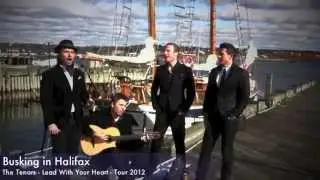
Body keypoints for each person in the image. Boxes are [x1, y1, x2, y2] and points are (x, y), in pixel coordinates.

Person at [195, 42, 250, 180]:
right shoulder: (214, 72)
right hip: (213, 118)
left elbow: (244, 98)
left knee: (227, 152)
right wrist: (205, 113)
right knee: (205, 150)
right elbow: (209, 95)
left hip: (229, 119)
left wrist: (234, 114)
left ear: (230, 55)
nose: (218, 56)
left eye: (221, 53)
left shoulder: (241, 74)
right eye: (219, 53)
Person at [150, 43, 196, 172]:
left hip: (177, 113)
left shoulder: (185, 71)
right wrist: (156, 106)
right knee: (156, 141)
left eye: (168, 51)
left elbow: (191, 93)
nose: (166, 53)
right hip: (162, 112)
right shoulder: (160, 70)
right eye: (165, 51)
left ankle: (181, 167)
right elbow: (154, 90)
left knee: (179, 142)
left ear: (176, 53)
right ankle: (151, 167)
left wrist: (184, 109)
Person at [84, 93, 149, 180]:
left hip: (119, 154)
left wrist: (142, 140)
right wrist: (94, 134)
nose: (123, 108)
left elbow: (129, 141)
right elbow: (84, 126)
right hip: (101, 153)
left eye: (125, 105)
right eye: (121, 105)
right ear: (112, 104)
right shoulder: (100, 114)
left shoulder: (127, 119)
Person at [40, 39, 89, 154]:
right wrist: (50, 122)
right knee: (60, 154)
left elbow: (83, 95)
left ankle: (71, 172)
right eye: (66, 51)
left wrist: (88, 100)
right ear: (60, 54)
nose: (69, 55)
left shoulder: (79, 74)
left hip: (76, 120)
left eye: (72, 52)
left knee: (73, 151)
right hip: (59, 122)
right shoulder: (49, 75)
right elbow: (45, 101)